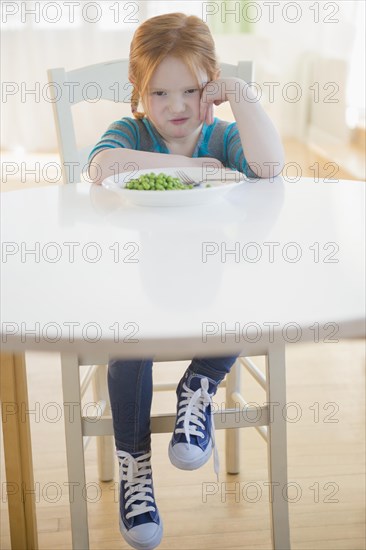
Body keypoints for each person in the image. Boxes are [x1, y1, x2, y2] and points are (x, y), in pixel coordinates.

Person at [88, 12, 284, 550]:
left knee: (253, 299)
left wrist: (241, 95)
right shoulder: (130, 132)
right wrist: (195, 171)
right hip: (136, 284)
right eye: (159, 93)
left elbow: (270, 168)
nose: (175, 107)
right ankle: (135, 462)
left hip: (214, 288)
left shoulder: (223, 135)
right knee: (128, 340)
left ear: (211, 86)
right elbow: (102, 166)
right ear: (138, 93)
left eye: (192, 90)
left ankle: (200, 384)